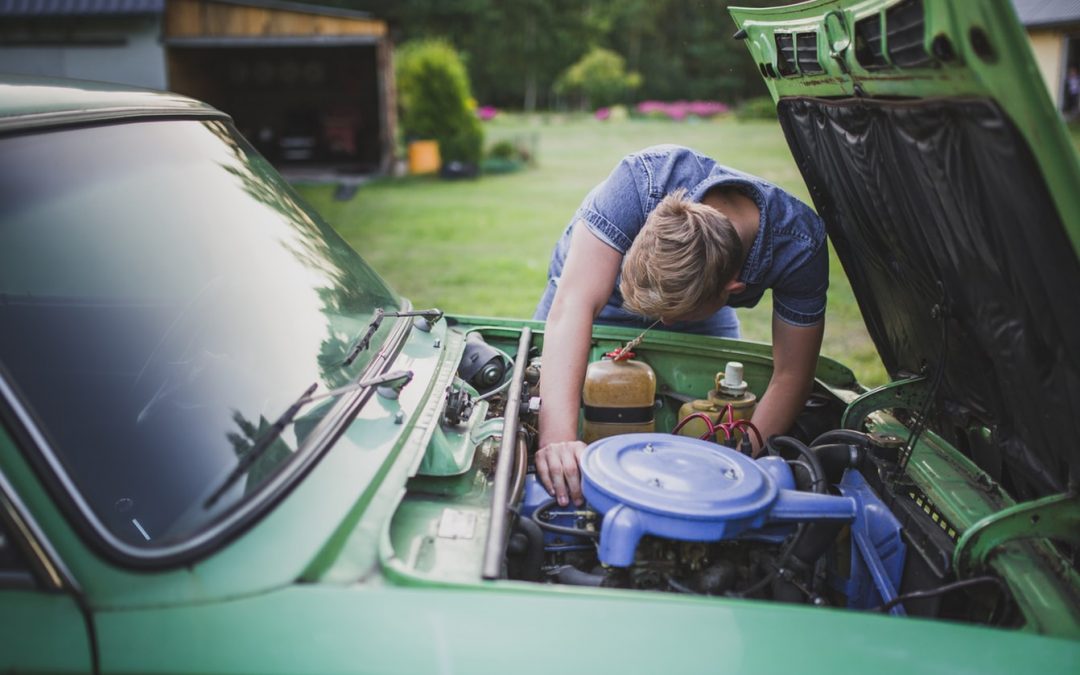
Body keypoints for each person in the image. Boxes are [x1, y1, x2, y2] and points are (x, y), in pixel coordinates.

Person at [532, 144, 828, 507]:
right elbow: (573, 305)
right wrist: (557, 441)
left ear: (732, 290)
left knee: (714, 408)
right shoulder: (641, 181)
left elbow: (793, 374)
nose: (659, 324)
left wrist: (736, 466)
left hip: (698, 301)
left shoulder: (800, 244)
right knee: (544, 395)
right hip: (595, 282)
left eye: (671, 317)